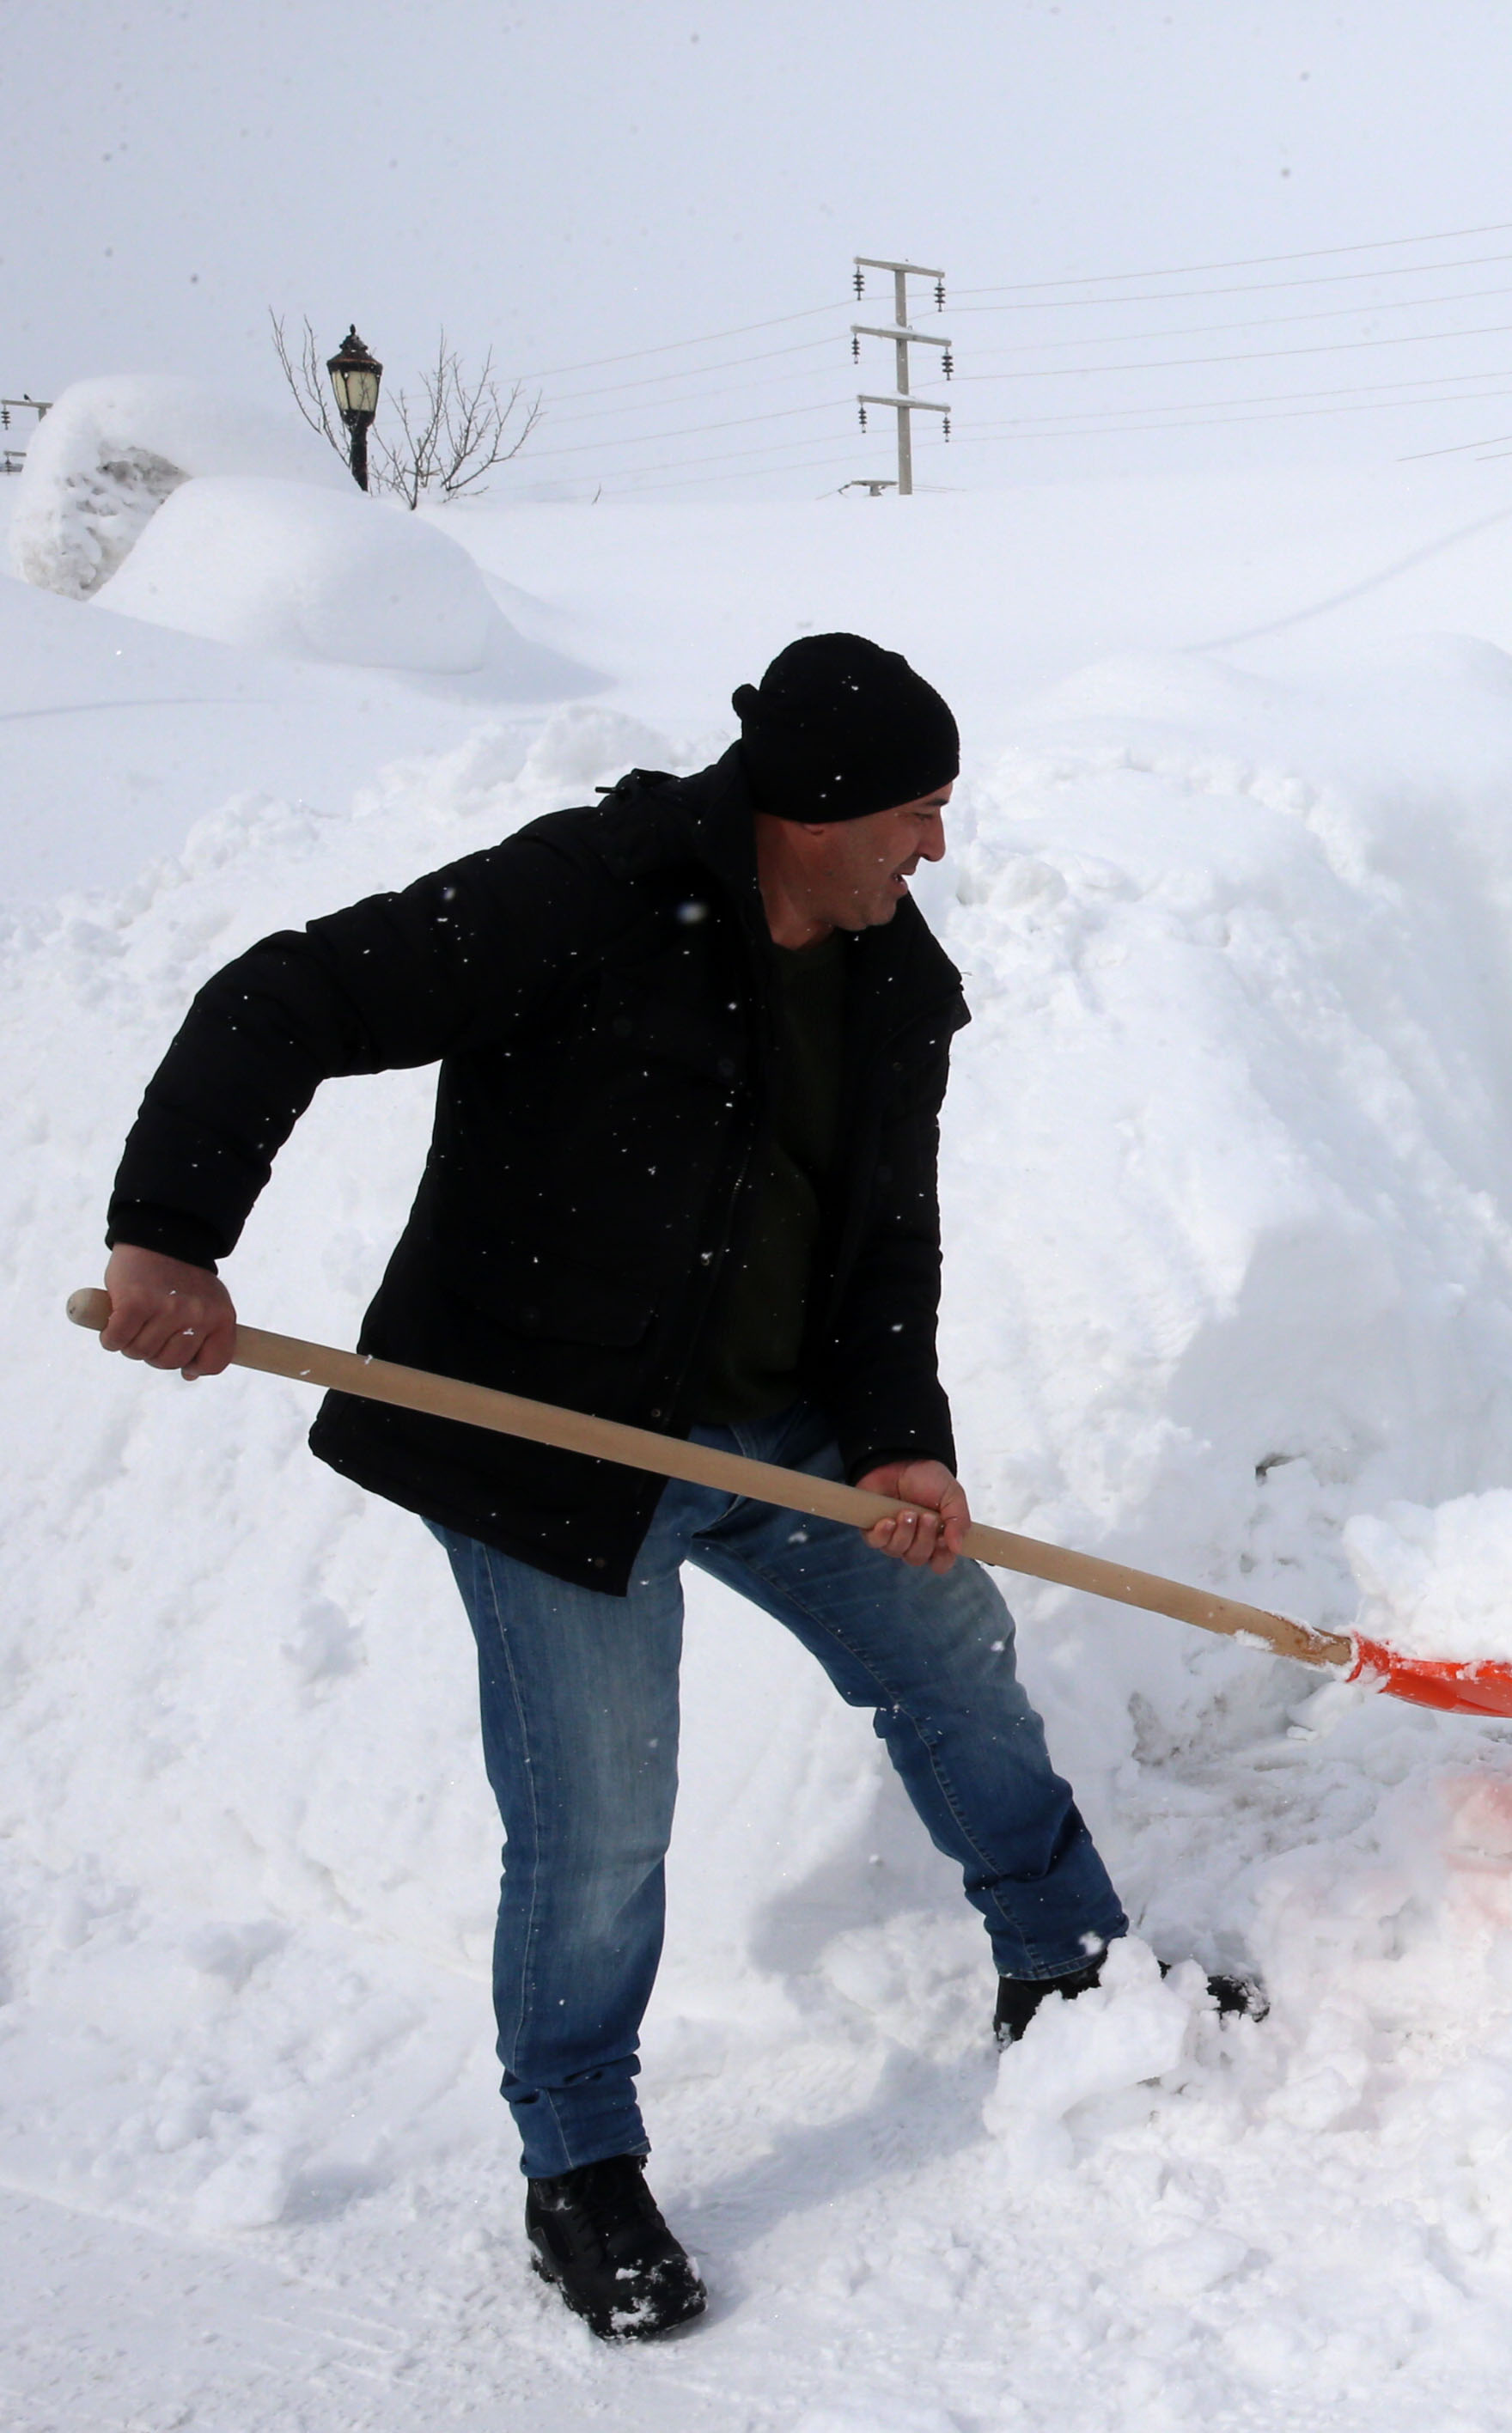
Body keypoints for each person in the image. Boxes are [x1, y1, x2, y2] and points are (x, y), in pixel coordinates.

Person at [88, 635, 1196, 2345]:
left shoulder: (898, 979)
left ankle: (1071, 1967)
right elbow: (287, 996)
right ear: (813, 808)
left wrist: (901, 1437)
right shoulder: (589, 897)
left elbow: (887, 1229)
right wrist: (171, 1231)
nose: (937, 849)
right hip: (552, 1446)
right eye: (917, 812)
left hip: (787, 1441)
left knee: (952, 1655)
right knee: (598, 1819)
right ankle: (580, 2165)